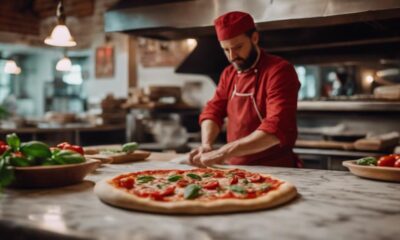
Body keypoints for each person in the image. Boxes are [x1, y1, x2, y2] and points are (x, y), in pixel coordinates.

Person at [189, 11, 301, 168]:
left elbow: (277, 126)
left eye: (238, 47)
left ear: (254, 38)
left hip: (275, 168)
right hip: (234, 168)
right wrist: (206, 144)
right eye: (226, 50)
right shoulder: (229, 73)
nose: (232, 56)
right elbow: (213, 111)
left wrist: (223, 152)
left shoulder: (279, 71)